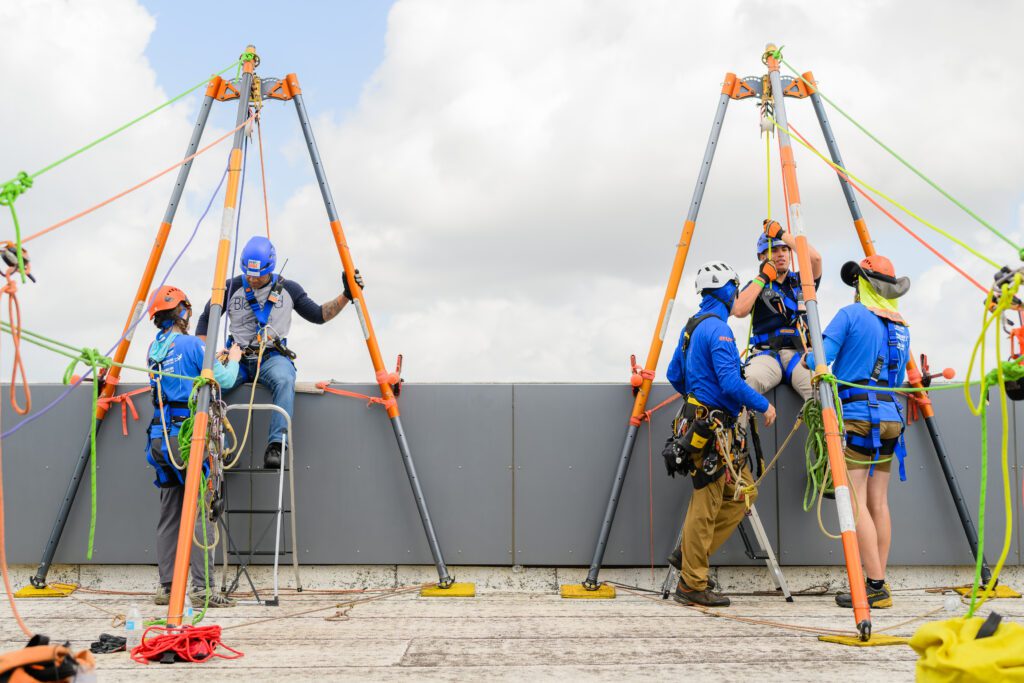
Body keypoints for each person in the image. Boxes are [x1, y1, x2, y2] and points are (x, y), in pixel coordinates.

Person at [664, 261, 777, 607]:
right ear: (726, 290)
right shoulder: (722, 332)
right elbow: (730, 382)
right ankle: (693, 582)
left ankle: (689, 558)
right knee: (707, 503)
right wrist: (764, 405)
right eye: (736, 288)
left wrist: (697, 399)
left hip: (700, 424)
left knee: (745, 491)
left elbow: (674, 374)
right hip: (714, 431)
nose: (738, 294)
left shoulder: (692, 327)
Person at [196, 236, 363, 469]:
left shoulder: (288, 290)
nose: (252, 279)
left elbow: (318, 315)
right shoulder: (230, 287)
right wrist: (204, 355)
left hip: (271, 357)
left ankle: (276, 444)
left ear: (270, 269)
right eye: (248, 273)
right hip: (238, 357)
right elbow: (206, 319)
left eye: (258, 274)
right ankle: (216, 447)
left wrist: (347, 295)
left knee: (285, 379)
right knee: (208, 388)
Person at [802, 255, 911, 609]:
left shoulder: (850, 316)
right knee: (879, 501)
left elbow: (819, 359)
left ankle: (874, 585)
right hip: (892, 417)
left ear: (863, 284)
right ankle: (878, 581)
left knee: (855, 497)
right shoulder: (902, 326)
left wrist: (809, 349)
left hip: (860, 417)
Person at [145, 285, 242, 608]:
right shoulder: (189, 344)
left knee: (169, 513)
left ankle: (167, 586)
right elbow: (224, 380)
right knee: (202, 509)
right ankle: (202, 589)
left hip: (161, 437)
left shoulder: (155, 349)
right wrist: (235, 359)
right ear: (183, 312)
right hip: (189, 437)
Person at [732, 219, 822, 401]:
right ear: (762, 256)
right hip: (766, 355)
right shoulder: (755, 286)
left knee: (821, 392)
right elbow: (739, 310)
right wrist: (763, 277)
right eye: (774, 250)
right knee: (745, 385)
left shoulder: (802, 281)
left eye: (785, 249)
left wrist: (782, 235)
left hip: (800, 356)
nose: (781, 254)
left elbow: (815, 259)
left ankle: (829, 430)